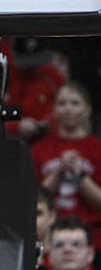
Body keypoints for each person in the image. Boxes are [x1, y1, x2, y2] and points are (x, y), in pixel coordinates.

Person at [31, 82, 101, 250]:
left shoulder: (97, 148)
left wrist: (80, 175)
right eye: (62, 103)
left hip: (93, 238)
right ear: (54, 109)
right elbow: (33, 200)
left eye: (75, 103)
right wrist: (58, 172)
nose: (68, 108)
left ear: (87, 109)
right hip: (49, 238)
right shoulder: (38, 149)